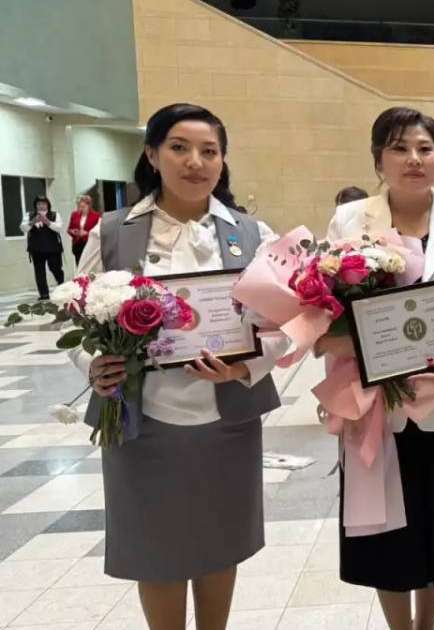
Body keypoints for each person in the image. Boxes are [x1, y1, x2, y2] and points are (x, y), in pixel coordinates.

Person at [73, 103, 286, 630]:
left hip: (226, 419)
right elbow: (76, 314)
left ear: (223, 161)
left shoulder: (251, 233)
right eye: (179, 148)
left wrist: (243, 369)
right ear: (152, 154)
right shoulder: (114, 231)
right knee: (155, 548)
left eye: (209, 151)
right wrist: (93, 365)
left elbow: (285, 324)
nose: (196, 162)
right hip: (141, 420)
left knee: (221, 542)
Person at [319, 106, 434, 630]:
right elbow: (323, 306)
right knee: (385, 535)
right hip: (375, 405)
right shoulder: (352, 221)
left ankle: (428, 624)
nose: (413, 159)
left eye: (425, 148)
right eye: (399, 148)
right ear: (379, 159)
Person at [20, 195, 65, 300]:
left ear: (48, 205)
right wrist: (33, 221)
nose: (41, 206)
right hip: (36, 248)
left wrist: (47, 222)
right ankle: (44, 294)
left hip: (53, 248)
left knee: (55, 268)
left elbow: (59, 228)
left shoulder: (55, 215)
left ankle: (61, 285)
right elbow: (23, 228)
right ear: (35, 205)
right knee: (39, 271)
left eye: (43, 204)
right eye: (39, 204)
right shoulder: (29, 215)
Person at [66, 194, 102, 264]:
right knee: (79, 264)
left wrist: (87, 233)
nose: (81, 209)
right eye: (79, 207)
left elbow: (99, 231)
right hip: (77, 244)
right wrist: (73, 231)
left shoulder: (96, 216)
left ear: (89, 206)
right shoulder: (74, 215)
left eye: (83, 207)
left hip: (90, 243)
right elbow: (69, 229)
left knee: (89, 265)